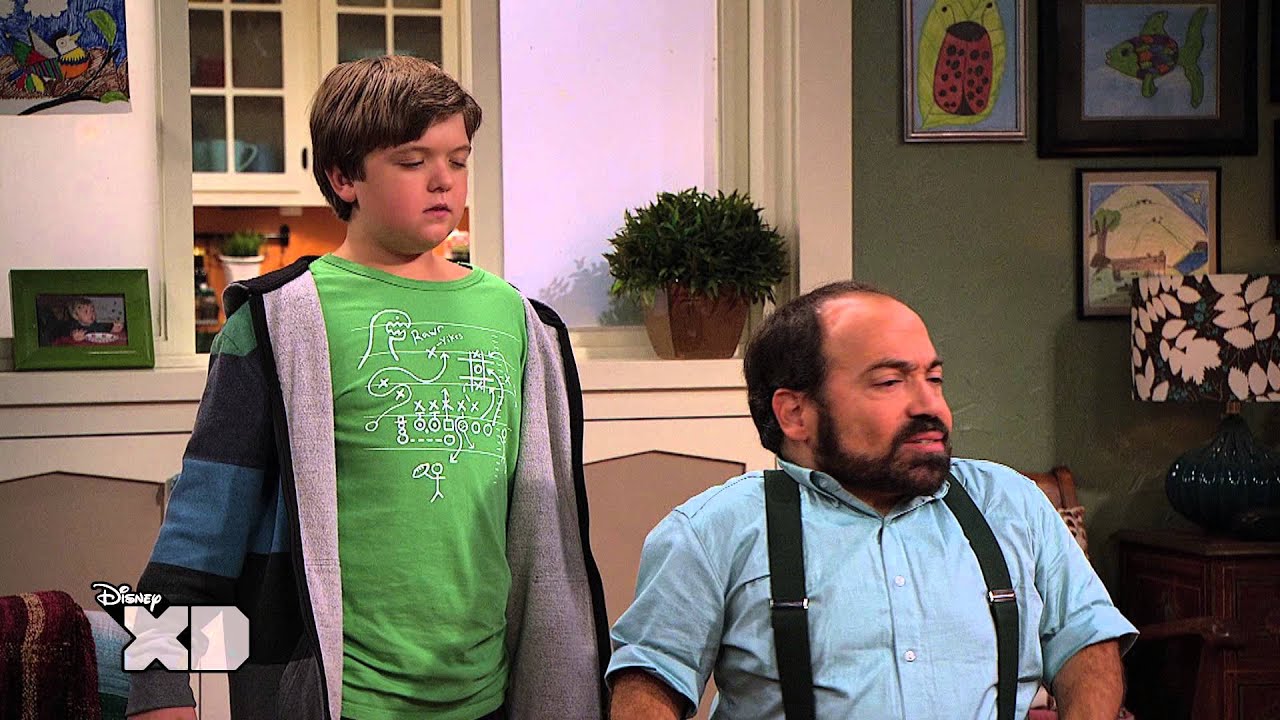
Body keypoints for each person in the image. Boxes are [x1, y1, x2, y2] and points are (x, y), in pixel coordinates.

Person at [127, 56, 609, 720]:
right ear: (343, 176)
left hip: (487, 698)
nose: (443, 180)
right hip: (332, 698)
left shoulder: (521, 323)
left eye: (458, 160)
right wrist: (157, 689)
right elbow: (202, 528)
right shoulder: (276, 322)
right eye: (412, 161)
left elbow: (542, 539)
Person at [606, 280, 1137, 720]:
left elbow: (1087, 639)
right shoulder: (712, 532)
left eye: (934, 378)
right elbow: (650, 683)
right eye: (889, 382)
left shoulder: (1011, 504)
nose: (931, 405)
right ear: (795, 414)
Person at [56, 296, 123, 342]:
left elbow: (104, 333)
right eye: (86, 311)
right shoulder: (73, 327)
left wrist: (113, 330)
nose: (91, 313)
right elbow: (63, 333)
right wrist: (73, 336)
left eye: (92, 310)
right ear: (76, 316)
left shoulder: (97, 325)